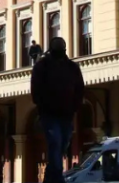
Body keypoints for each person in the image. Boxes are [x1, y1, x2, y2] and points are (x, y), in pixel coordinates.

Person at [30, 37, 84, 183]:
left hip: (66, 113)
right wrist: (41, 106)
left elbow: (80, 88)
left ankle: (50, 175)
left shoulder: (72, 67)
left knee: (63, 143)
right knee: (55, 142)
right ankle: (57, 177)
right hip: (49, 113)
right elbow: (35, 87)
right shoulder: (42, 66)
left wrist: (74, 107)